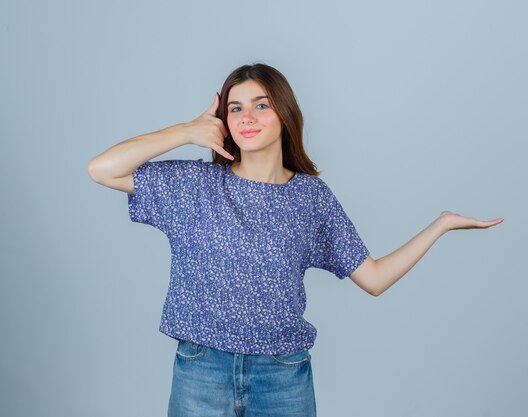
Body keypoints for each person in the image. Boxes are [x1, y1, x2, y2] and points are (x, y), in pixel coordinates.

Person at [87, 62, 503, 417]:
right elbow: (102, 169)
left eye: (261, 105)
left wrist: (441, 225)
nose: (246, 116)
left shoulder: (310, 197)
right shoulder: (193, 185)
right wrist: (186, 131)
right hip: (201, 370)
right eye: (236, 108)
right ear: (224, 122)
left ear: (284, 114)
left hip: (282, 376)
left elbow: (374, 278)